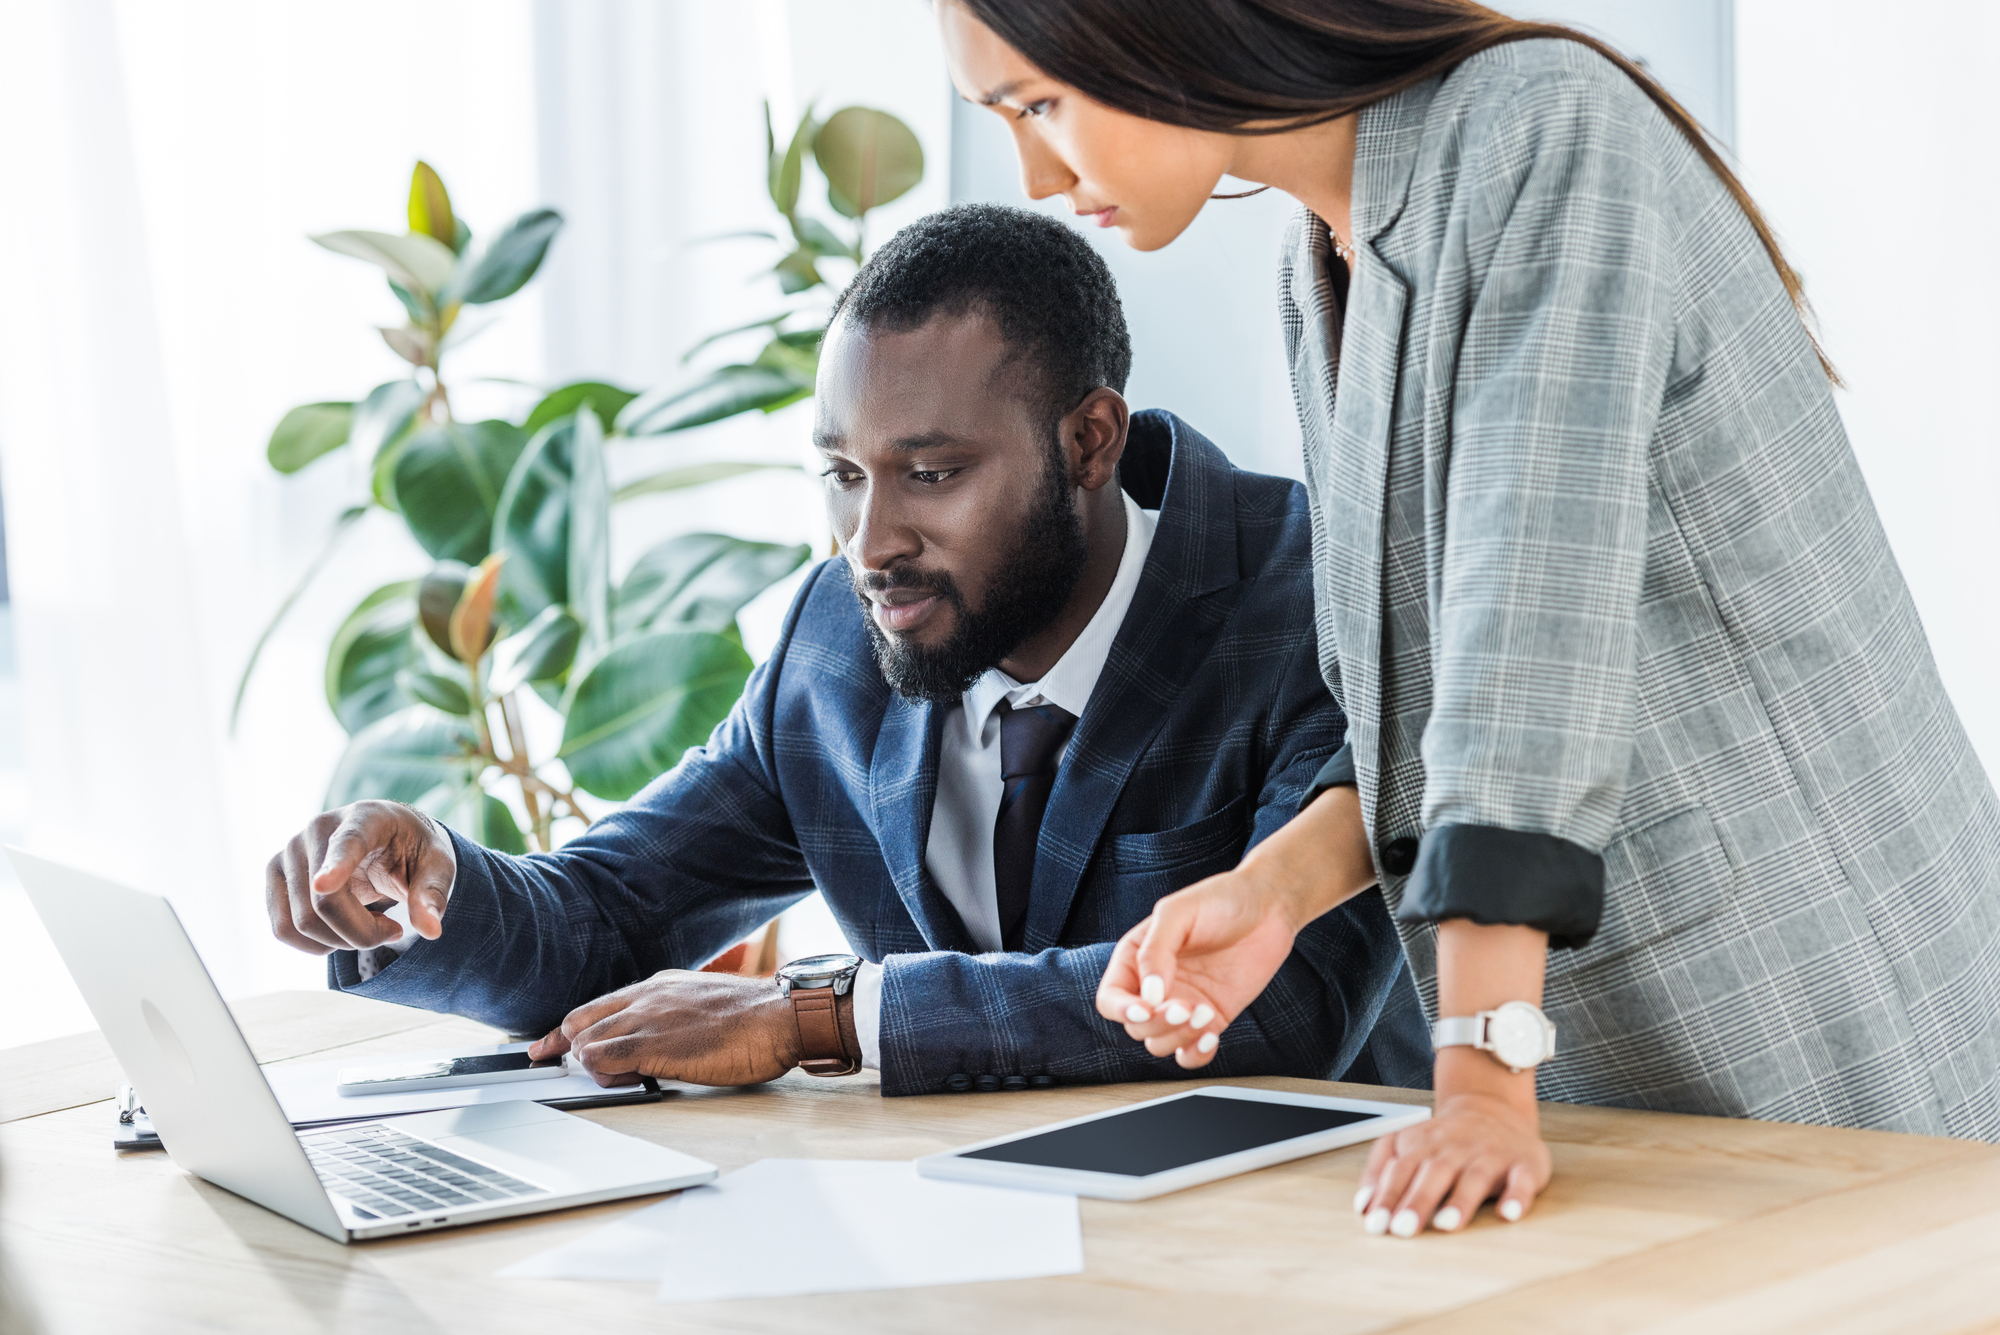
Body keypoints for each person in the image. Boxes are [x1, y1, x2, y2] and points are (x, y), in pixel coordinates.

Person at [938, 0, 2000, 1238]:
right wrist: (1274, 890)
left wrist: (1480, 1073)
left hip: (1801, 989)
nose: (1035, 174)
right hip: (1615, 1038)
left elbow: (1524, 638)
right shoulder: (1318, 256)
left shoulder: (1536, 126)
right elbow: (1409, 682)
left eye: (1037, 102)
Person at [263, 204, 1427, 1098]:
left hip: (1291, 1249)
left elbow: (1283, 1012)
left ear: (1086, 441)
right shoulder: (838, 636)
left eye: (929, 475)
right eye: (840, 474)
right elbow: (612, 919)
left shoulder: (1316, 599)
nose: (869, 544)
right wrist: (424, 889)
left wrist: (819, 1015)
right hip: (952, 1242)